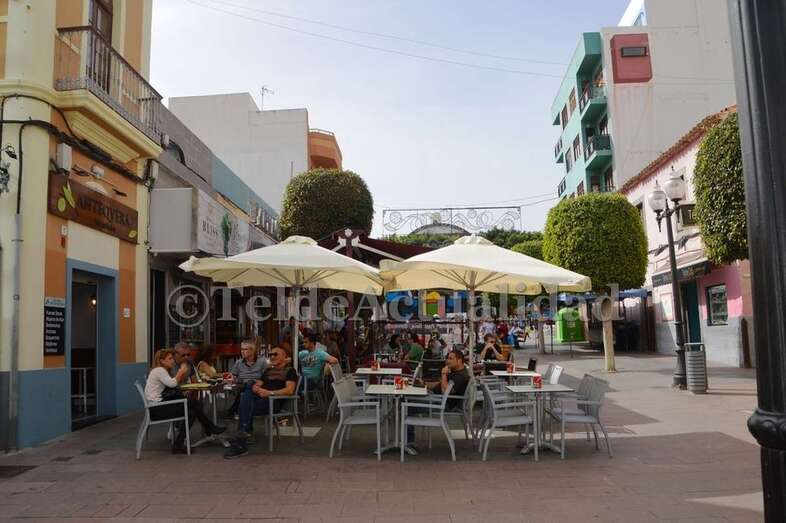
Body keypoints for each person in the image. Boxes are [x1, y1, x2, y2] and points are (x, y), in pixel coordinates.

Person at [145, 348, 225, 454]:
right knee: (194, 406)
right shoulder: (160, 370)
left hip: (158, 406)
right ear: (162, 361)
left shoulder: (159, 370)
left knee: (192, 409)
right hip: (158, 409)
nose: (172, 361)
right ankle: (209, 428)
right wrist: (181, 372)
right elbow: (172, 383)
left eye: (172, 358)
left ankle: (180, 443)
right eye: (170, 359)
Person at [224, 346, 299, 459]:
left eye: (275, 354)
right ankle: (242, 437)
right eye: (270, 355)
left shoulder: (290, 371)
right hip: (259, 399)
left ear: (285, 357)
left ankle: (242, 437)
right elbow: (258, 383)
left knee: (244, 406)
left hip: (273, 402)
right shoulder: (268, 371)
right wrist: (256, 387)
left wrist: (269, 393)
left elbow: (290, 390)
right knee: (249, 390)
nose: (272, 357)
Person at [407, 349, 470, 449]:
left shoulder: (461, 377)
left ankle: (408, 442)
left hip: (443, 404)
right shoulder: (456, 372)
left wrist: (443, 374)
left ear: (459, 360)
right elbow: (439, 385)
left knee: (407, 406)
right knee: (408, 399)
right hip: (438, 399)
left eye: (451, 358)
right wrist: (424, 384)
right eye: (447, 358)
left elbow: (445, 392)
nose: (447, 361)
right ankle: (407, 440)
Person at [227, 339, 269, 418]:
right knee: (247, 386)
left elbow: (267, 376)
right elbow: (233, 375)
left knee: (250, 384)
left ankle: (235, 410)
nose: (242, 352)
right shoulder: (238, 363)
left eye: (245, 349)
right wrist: (232, 378)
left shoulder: (262, 361)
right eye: (241, 349)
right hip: (241, 385)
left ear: (252, 350)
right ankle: (238, 411)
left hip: (257, 386)